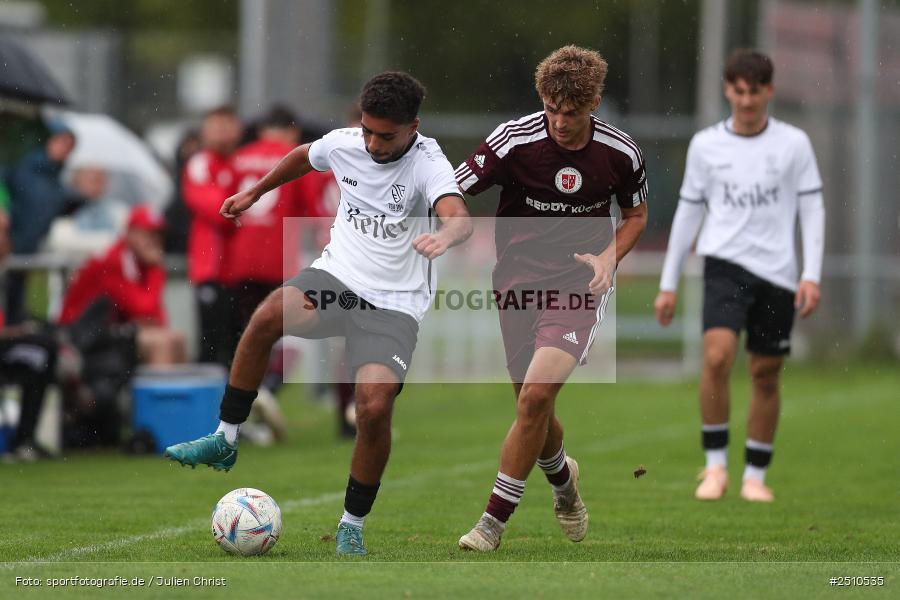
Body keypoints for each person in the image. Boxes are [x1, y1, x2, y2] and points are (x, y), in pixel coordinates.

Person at [164, 72, 473, 556]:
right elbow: (300, 157)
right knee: (266, 318)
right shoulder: (347, 143)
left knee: (372, 408)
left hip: (393, 305)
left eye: (385, 135)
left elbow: (458, 216)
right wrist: (255, 193)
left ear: (413, 126)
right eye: (367, 130)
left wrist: (446, 236)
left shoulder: (429, 164)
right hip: (337, 280)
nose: (372, 143)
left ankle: (352, 524)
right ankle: (225, 437)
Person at [453, 45, 648, 551]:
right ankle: (564, 483)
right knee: (528, 404)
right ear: (543, 98)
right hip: (515, 283)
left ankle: (492, 523)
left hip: (577, 285)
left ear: (595, 103)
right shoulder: (512, 141)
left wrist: (609, 258)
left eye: (573, 113)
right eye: (552, 110)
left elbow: (635, 217)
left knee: (537, 396)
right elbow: (451, 190)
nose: (561, 123)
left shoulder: (620, 153)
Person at [654, 49, 825, 503]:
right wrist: (668, 283)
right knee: (717, 356)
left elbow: (813, 209)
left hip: (779, 271)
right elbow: (688, 216)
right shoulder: (707, 145)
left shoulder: (794, 145)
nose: (747, 100)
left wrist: (811, 273)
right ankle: (714, 468)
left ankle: (755, 474)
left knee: (765, 372)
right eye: (739, 91)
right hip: (723, 263)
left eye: (755, 91)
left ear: (769, 91)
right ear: (728, 90)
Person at [58, 205, 186, 366]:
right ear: (130, 233)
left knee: (176, 339)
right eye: (148, 234)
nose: (155, 240)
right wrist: (156, 270)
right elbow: (143, 309)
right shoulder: (114, 260)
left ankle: (175, 391)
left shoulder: (139, 261)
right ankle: (161, 392)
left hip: (106, 329)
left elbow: (157, 318)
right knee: (160, 343)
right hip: (79, 333)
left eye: (158, 234)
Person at [4, 121, 102, 323]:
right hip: (11, 246)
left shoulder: (56, 180)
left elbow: (54, 207)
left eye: (69, 146)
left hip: (32, 249)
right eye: (61, 142)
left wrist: (83, 198)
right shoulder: (23, 166)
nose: (64, 149)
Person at [182, 106, 243, 366]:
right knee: (211, 345)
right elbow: (220, 211)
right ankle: (209, 404)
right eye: (214, 126)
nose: (220, 132)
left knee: (240, 345)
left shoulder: (243, 161)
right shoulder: (200, 164)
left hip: (242, 270)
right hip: (212, 269)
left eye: (226, 125)